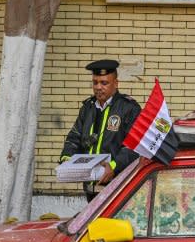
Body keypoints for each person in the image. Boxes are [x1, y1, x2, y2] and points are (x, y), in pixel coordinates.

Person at [60, 59, 141, 201]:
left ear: (116, 84)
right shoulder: (88, 108)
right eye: (95, 82)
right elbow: (74, 138)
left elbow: (133, 146)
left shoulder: (129, 108)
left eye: (104, 83)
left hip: (117, 188)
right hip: (90, 188)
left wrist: (113, 166)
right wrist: (67, 160)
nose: (98, 87)